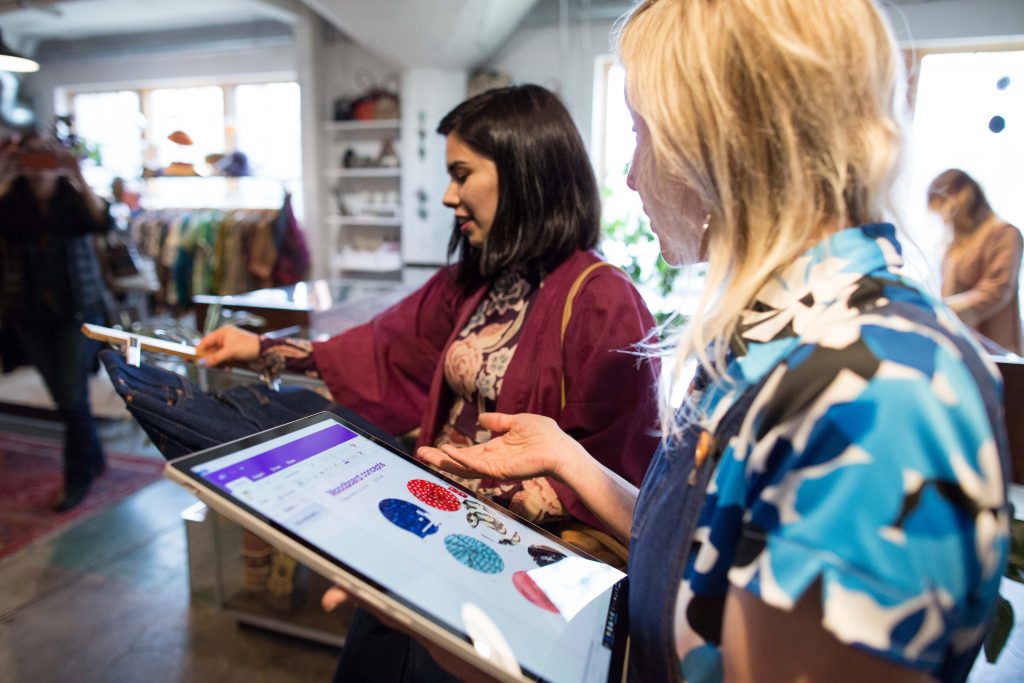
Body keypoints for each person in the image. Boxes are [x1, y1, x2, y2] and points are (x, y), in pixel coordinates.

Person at [417, 2, 1012, 682]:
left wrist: (495, 666)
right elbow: (708, 552)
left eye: (641, 132)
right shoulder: (785, 336)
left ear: (719, 139)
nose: (632, 174)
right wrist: (569, 458)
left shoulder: (875, 392)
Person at [194, 85, 660, 682]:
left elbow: (617, 464)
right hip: (436, 531)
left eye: (462, 174)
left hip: (510, 570)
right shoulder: (480, 281)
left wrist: (500, 496)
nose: (448, 195)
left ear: (524, 172)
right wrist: (264, 349)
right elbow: (385, 348)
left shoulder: (602, 299)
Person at [0, 133, 114, 511]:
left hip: (78, 311)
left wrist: (77, 174)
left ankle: (77, 477)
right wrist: (5, 167)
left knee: (71, 394)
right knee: (66, 397)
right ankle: (94, 457)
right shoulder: (12, 202)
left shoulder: (72, 199)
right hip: (29, 314)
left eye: (44, 157)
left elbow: (103, 221)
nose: (38, 167)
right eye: (30, 157)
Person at [927, 168, 1022, 355]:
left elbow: (996, 290)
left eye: (943, 207)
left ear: (962, 198)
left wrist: (945, 309)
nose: (943, 218)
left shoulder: (1003, 233)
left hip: (995, 349)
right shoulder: (955, 244)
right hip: (960, 346)